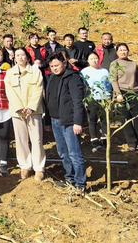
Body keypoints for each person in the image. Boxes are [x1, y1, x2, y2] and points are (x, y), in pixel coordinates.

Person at [44, 52, 87, 192]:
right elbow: (48, 100)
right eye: (52, 66)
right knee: (63, 152)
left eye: (56, 65)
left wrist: (78, 122)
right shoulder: (51, 78)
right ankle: (70, 178)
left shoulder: (73, 77)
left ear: (64, 63)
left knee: (74, 153)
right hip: (55, 120)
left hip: (69, 122)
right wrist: (48, 121)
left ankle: (80, 183)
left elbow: (78, 101)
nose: (54, 68)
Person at [4, 47, 46, 181]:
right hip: (18, 112)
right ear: (14, 58)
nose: (20, 58)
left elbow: (39, 90)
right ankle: (25, 165)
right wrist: (18, 107)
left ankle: (39, 167)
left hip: (34, 111)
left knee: (36, 139)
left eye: (22, 55)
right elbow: (9, 91)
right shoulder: (10, 73)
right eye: (17, 55)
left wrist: (31, 107)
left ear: (27, 57)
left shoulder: (35, 72)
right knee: (21, 139)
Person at [109, 43, 138, 152]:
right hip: (122, 93)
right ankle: (132, 143)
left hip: (135, 93)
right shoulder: (114, 64)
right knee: (126, 119)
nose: (123, 52)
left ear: (128, 51)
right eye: (120, 50)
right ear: (117, 52)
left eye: (125, 50)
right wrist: (118, 94)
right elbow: (113, 80)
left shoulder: (133, 64)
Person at [80, 52, 113, 152]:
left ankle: (104, 139)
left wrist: (109, 97)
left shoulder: (104, 71)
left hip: (104, 99)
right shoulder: (83, 72)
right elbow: (82, 86)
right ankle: (94, 140)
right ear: (88, 61)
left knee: (104, 120)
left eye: (95, 58)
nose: (94, 60)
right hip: (91, 99)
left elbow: (109, 85)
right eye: (91, 59)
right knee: (92, 120)